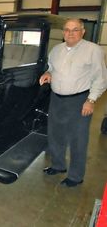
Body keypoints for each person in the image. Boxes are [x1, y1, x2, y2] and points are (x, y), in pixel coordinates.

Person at [39, 18, 107, 187]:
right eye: (67, 30)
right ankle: (58, 165)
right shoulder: (56, 50)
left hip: (79, 100)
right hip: (56, 98)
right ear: (63, 32)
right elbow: (51, 68)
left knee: (78, 139)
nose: (70, 33)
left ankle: (76, 176)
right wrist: (48, 73)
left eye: (75, 29)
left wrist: (91, 100)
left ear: (83, 31)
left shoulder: (93, 50)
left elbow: (101, 78)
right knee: (55, 134)